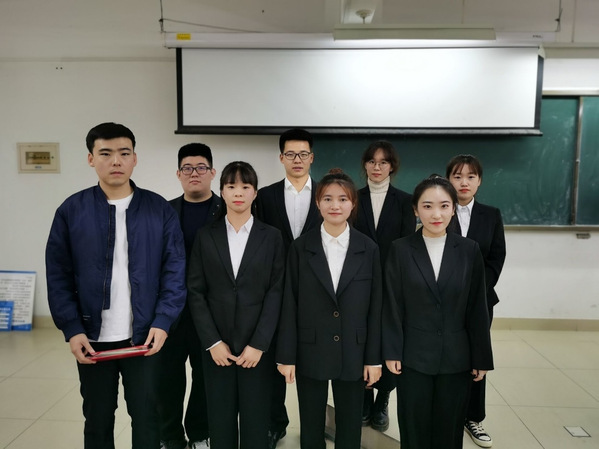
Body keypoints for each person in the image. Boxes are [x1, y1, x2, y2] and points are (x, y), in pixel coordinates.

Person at [45, 122, 187, 449]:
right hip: (92, 338)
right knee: (97, 419)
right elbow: (58, 274)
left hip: (144, 337)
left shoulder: (159, 210)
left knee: (148, 418)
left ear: (135, 158)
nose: (116, 161)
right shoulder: (72, 211)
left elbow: (175, 271)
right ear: (91, 159)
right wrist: (72, 328)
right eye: (105, 153)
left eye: (124, 153)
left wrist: (163, 322)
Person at [383, 175, 493, 449]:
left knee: (449, 430)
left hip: (456, 358)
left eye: (444, 206)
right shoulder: (400, 249)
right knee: (414, 429)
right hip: (413, 356)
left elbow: (477, 307)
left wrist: (481, 356)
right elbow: (392, 304)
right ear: (415, 209)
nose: (436, 214)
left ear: (454, 209)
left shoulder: (469, 250)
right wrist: (392, 351)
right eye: (427, 206)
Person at [277, 169, 383, 449]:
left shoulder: (368, 248)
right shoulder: (301, 248)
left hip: (354, 349)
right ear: (317, 203)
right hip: (310, 347)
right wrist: (286, 355)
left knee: (350, 424)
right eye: (327, 199)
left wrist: (373, 359)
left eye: (342, 199)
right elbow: (289, 303)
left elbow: (376, 307)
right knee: (311, 423)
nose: (335, 205)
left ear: (353, 203)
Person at [187, 161, 285, 449]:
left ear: (255, 193)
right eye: (231, 186)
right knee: (220, 423)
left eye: (245, 186)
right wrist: (212, 342)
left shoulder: (272, 236)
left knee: (256, 424)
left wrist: (259, 344)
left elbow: (276, 292)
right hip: (218, 349)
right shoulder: (206, 235)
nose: (238, 193)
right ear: (222, 192)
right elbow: (195, 291)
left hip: (257, 349)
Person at [255, 128, 322, 448]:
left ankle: (314, 428)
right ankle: (275, 424)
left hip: (318, 291)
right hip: (276, 289)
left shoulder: (327, 194)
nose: (298, 160)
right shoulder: (265, 196)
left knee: (314, 360)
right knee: (273, 360)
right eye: (291, 154)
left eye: (303, 154)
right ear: (281, 157)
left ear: (312, 157)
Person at [157, 143, 222, 449]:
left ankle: (199, 433)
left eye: (200, 168)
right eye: (187, 168)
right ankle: (170, 436)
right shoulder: (165, 211)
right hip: (171, 311)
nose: (194, 173)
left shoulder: (227, 210)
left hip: (211, 311)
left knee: (205, 377)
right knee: (167, 377)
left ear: (212, 172)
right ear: (178, 174)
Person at [354, 140, 416, 431]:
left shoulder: (405, 201)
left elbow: (406, 245)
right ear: (365, 165)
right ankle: (365, 397)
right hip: (359, 281)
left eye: (383, 162)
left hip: (394, 283)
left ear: (392, 166)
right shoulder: (353, 198)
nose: (377, 167)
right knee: (363, 338)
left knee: (390, 339)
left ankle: (383, 399)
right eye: (372, 161)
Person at [446, 154, 506, 448]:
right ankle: (450, 413)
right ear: (449, 180)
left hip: (480, 299)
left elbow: (497, 257)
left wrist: (476, 291)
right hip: (445, 301)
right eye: (457, 176)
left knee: (476, 356)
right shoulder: (439, 210)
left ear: (479, 181)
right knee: (450, 356)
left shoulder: (491, 214)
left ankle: (473, 417)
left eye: (470, 176)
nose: (464, 182)